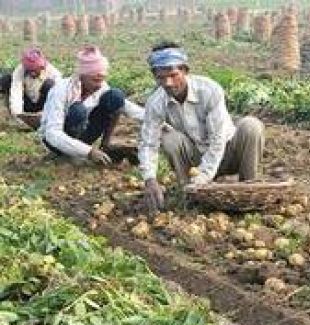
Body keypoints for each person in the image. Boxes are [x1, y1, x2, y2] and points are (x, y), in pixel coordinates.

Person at [137, 42, 265, 212]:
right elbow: (148, 143)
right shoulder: (156, 102)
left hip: (228, 153)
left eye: (174, 75)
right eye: (161, 78)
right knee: (170, 139)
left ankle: (249, 190)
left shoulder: (209, 90)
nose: (168, 83)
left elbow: (218, 139)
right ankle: (189, 195)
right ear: (155, 77)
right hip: (194, 162)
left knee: (251, 126)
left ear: (185, 71)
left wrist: (205, 175)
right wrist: (150, 179)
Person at [39, 45, 144, 166]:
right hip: (55, 141)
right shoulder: (61, 90)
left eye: (102, 79)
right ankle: (67, 154)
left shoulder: (100, 87)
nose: (99, 85)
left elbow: (127, 106)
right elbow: (52, 134)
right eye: (95, 80)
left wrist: (157, 120)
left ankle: (106, 145)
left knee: (115, 96)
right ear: (82, 76)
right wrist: (88, 151)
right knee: (77, 110)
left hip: (82, 134)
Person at [0, 47, 62, 130]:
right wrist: (18, 115)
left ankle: (46, 119)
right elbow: (16, 93)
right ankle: (14, 117)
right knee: (6, 79)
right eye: (30, 71)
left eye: (35, 70)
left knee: (49, 84)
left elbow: (58, 98)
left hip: (44, 106)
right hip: (27, 104)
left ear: (41, 67)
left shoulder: (54, 74)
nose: (32, 73)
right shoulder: (20, 71)